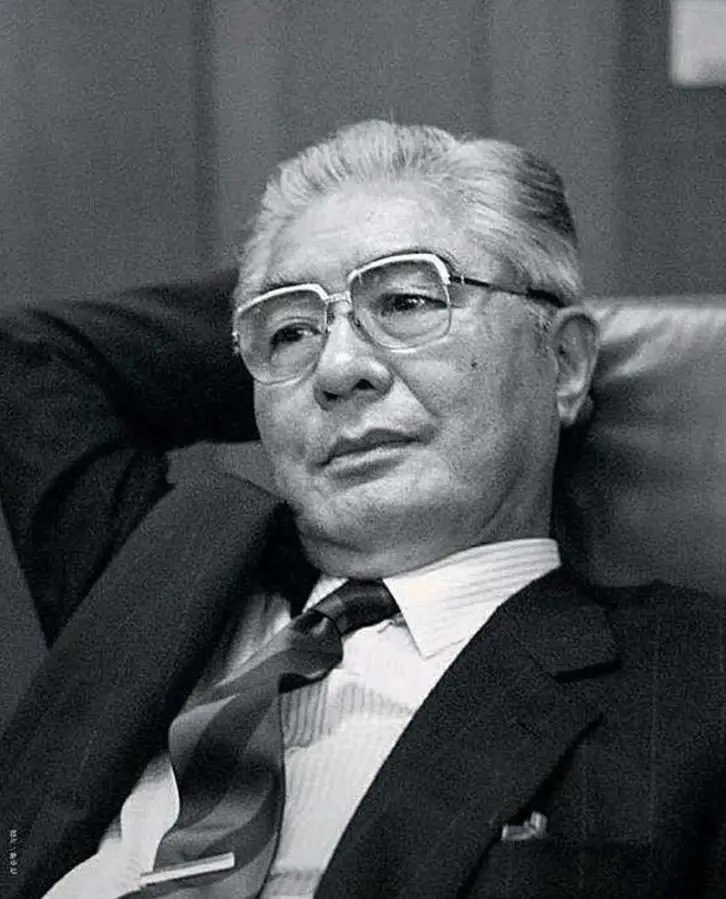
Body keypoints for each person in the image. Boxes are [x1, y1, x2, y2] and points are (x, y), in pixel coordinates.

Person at [1, 120, 725, 899]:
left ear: (567, 361)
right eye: (293, 334)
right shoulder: (167, 578)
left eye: (409, 299)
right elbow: (34, 359)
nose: (338, 368)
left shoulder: (690, 682)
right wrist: (303, 298)